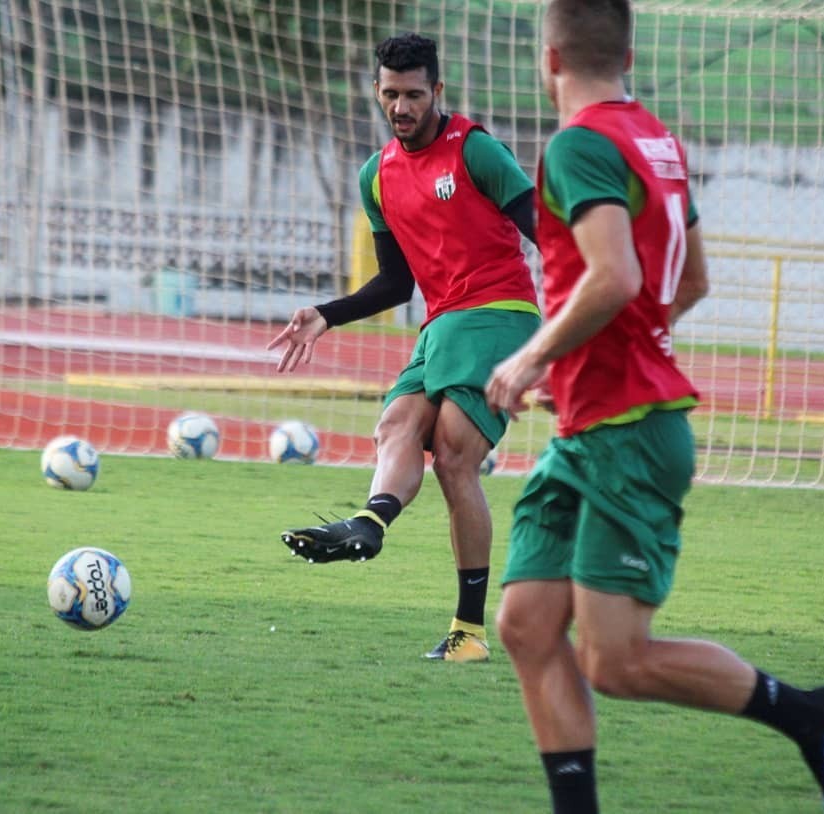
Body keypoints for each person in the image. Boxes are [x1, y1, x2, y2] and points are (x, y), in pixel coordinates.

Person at [484, 0, 824, 810]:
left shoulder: (577, 145)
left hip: (628, 434)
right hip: (596, 426)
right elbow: (691, 281)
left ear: (550, 59)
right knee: (527, 624)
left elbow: (614, 280)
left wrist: (531, 354)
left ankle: (808, 716)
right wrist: (576, 367)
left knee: (617, 661)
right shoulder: (655, 140)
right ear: (627, 51)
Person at [267, 33, 540, 662]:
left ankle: (468, 634)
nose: (401, 107)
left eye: (414, 95)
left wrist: (564, 339)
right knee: (395, 423)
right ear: (376, 92)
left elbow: (544, 232)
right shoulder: (376, 176)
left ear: (437, 92)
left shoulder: (477, 151)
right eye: (390, 94)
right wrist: (326, 315)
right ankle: (370, 522)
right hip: (442, 324)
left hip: (501, 315)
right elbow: (397, 281)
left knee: (452, 455)